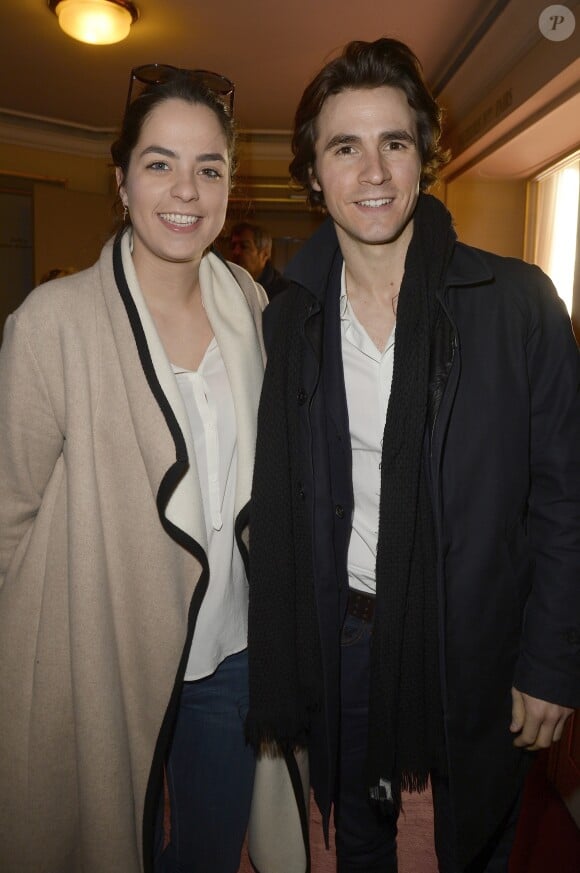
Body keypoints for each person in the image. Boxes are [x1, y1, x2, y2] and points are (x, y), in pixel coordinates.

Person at [246, 37, 580, 873]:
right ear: (314, 173)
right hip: (346, 630)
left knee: (480, 830)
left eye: (394, 143)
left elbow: (564, 498)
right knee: (358, 835)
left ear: (424, 157)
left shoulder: (517, 303)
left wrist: (552, 660)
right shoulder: (288, 324)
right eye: (345, 147)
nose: (374, 172)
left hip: (476, 631)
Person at [0, 64, 267, 873]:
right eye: (159, 163)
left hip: (229, 652)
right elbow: (8, 514)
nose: (184, 189)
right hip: (101, 656)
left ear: (226, 188)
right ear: (120, 181)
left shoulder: (252, 308)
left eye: (208, 168)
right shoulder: (55, 322)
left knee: (212, 852)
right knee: (109, 846)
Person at [229, 221, 288, 300]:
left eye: (244, 246)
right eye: (233, 246)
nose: (236, 252)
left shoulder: (283, 293)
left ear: (265, 254)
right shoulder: (226, 285)